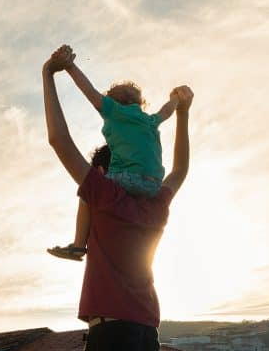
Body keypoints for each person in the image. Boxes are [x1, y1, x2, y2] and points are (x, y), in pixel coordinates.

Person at [41, 44, 193, 351]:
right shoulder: (158, 205)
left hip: (110, 336)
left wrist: (49, 75)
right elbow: (179, 170)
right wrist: (182, 113)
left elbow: (58, 140)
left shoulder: (103, 196)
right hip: (148, 336)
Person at [47, 45, 180, 261]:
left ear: (115, 101)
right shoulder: (150, 120)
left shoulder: (114, 111)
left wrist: (70, 66)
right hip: (154, 184)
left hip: (127, 178)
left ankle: (79, 245)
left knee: (89, 191)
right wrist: (176, 98)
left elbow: (88, 91)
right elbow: (166, 110)